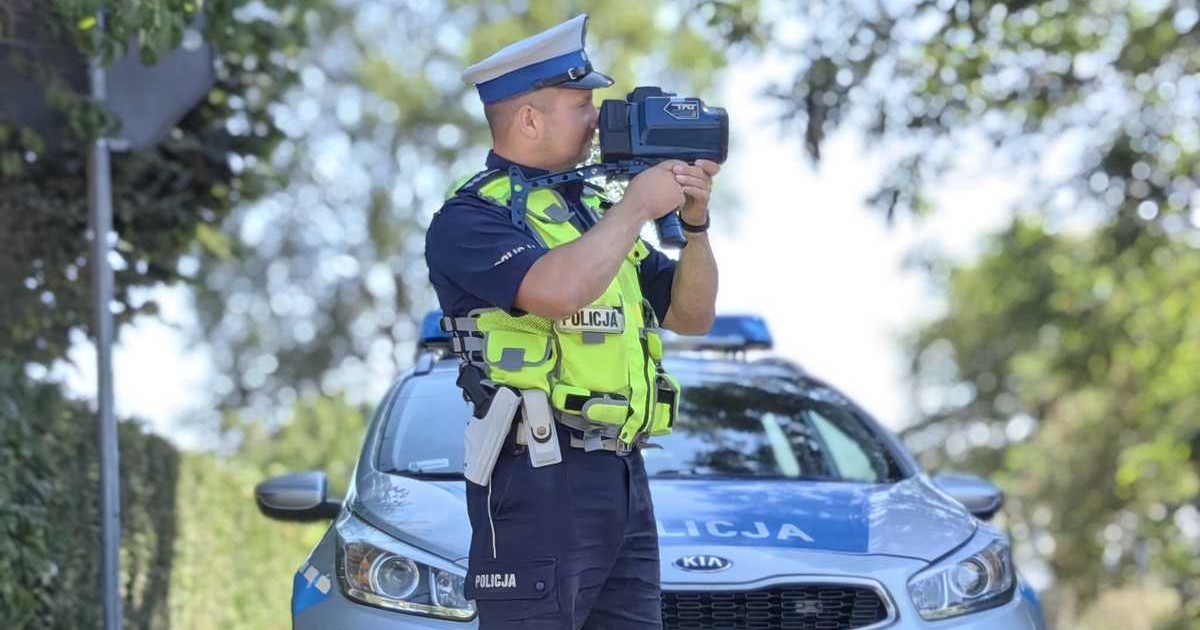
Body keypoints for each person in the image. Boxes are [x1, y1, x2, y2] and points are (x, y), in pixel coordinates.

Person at [424, 14, 720, 630]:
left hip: (622, 474)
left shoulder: (592, 213)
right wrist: (637, 206)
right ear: (529, 119)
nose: (597, 119)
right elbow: (554, 292)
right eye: (582, 104)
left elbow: (692, 315)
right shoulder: (471, 218)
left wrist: (694, 226)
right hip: (536, 477)